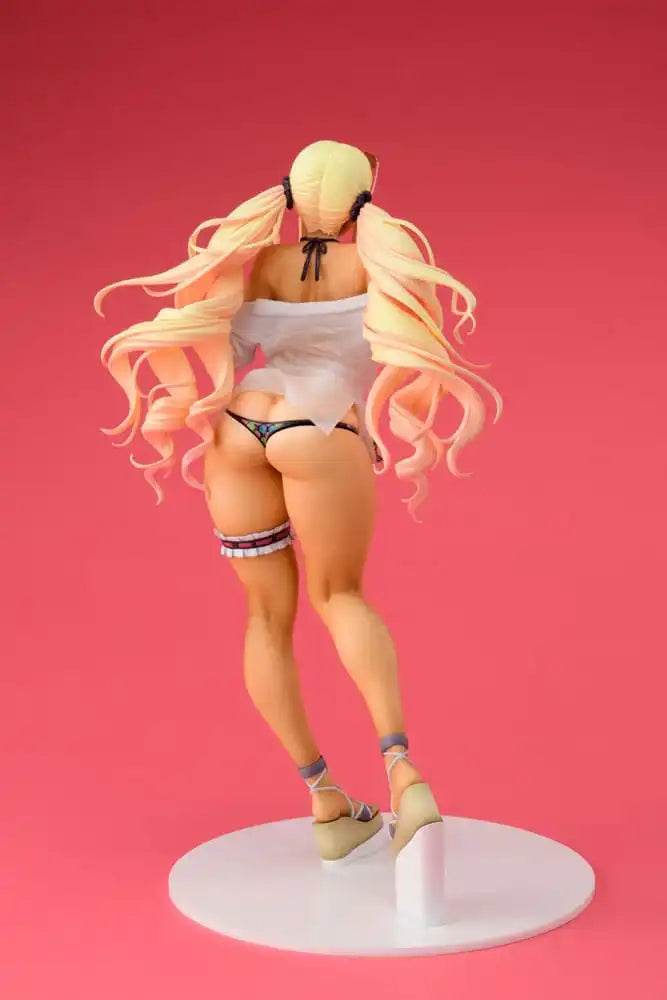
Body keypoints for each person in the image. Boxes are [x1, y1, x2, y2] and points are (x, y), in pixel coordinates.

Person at [95, 139, 502, 868]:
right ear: (361, 198)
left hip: (237, 430)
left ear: (292, 196)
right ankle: (403, 774)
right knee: (339, 595)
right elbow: (390, 357)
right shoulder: (379, 265)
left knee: (264, 617)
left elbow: (233, 351)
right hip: (318, 430)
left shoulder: (262, 265)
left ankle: (325, 800)